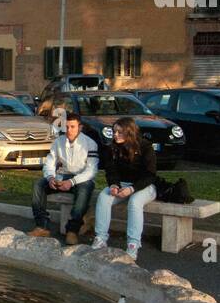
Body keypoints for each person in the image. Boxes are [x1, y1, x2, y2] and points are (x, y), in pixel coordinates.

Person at [92, 116, 158, 260]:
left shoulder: (145, 147)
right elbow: (111, 171)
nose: (115, 135)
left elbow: (150, 175)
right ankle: (100, 238)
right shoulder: (112, 148)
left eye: (120, 132)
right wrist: (114, 184)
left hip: (144, 186)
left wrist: (132, 189)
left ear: (130, 133)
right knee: (104, 197)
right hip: (122, 184)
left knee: (135, 202)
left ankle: (133, 244)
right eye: (114, 131)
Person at [30, 111, 98, 244]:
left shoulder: (90, 144)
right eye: (66, 127)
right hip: (63, 176)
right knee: (39, 184)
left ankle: (72, 231)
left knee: (85, 188)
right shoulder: (58, 141)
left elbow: (91, 171)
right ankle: (42, 226)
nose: (69, 130)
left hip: (81, 179)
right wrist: (50, 177)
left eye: (72, 127)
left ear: (80, 127)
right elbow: (50, 162)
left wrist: (72, 182)